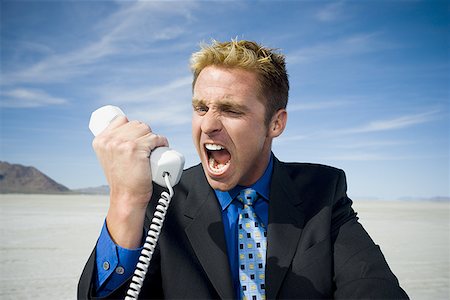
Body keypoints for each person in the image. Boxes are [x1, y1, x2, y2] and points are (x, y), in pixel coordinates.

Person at [78, 39, 409, 299]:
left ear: (275, 123)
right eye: (201, 107)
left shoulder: (323, 191)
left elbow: (370, 282)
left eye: (231, 110)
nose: (208, 125)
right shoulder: (162, 200)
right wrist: (125, 202)